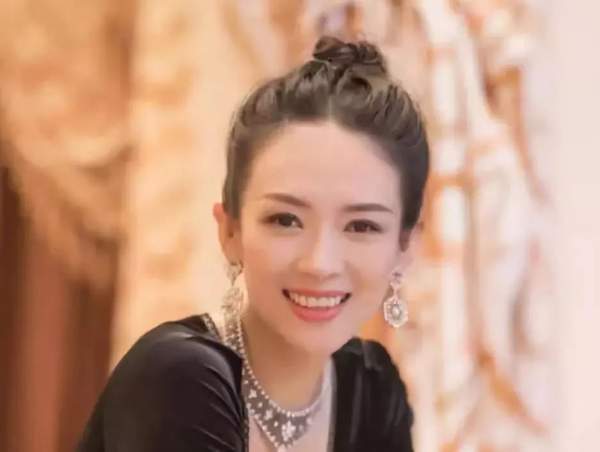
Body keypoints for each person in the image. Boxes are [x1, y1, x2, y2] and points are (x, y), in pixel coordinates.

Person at [77, 36, 430, 452]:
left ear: (405, 248)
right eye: (286, 220)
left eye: (362, 226)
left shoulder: (371, 390)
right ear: (230, 231)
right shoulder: (178, 379)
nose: (320, 263)